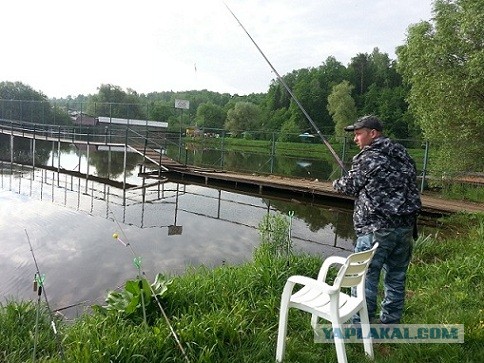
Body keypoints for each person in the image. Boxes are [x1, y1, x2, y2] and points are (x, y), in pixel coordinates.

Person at [333, 115, 421, 324]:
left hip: (376, 229)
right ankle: (390, 322)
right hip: (405, 228)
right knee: (397, 276)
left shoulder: (368, 157)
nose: (356, 139)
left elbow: (349, 186)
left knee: (364, 278)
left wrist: (336, 183)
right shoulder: (403, 155)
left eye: (358, 134)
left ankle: (360, 325)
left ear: (372, 133)